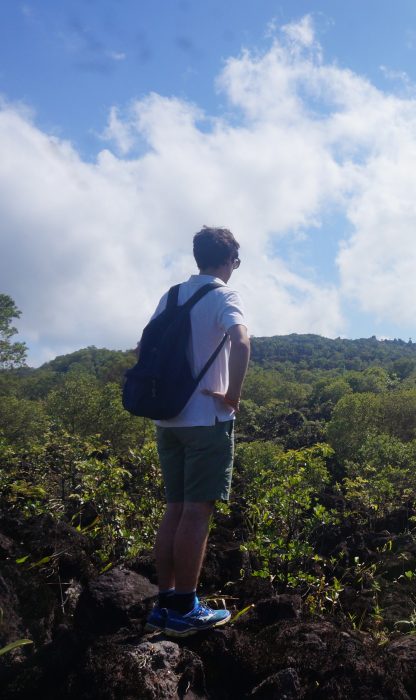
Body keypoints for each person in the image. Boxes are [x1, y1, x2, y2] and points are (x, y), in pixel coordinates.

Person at [143, 226, 251, 637]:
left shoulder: (171, 295)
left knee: (175, 507)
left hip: (167, 419)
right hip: (206, 419)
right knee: (196, 510)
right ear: (227, 261)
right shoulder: (223, 294)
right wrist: (232, 396)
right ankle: (186, 608)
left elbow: (144, 347)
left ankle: (165, 604)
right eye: (236, 262)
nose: (235, 269)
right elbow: (241, 342)